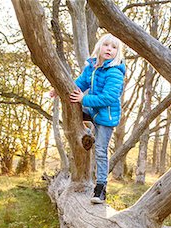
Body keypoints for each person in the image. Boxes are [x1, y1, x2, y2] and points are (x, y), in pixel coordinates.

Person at [51, 33, 125, 205]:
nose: (109, 49)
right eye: (106, 45)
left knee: (100, 150)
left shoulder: (115, 72)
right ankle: (77, 169)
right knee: (71, 106)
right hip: (92, 110)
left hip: (105, 117)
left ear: (117, 53)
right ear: (99, 47)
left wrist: (84, 99)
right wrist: (60, 90)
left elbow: (109, 97)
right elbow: (79, 84)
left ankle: (101, 188)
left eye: (114, 47)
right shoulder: (91, 67)